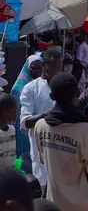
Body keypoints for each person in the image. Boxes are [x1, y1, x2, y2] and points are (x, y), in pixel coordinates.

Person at [34, 73, 88, 211]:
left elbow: (45, 161)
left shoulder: (40, 126)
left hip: (52, 204)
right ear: (77, 93)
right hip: (81, 206)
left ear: (52, 96)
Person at [20, 49, 62, 189]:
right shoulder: (31, 88)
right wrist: (46, 115)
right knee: (43, 186)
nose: (55, 71)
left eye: (58, 67)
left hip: (63, 147)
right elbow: (25, 122)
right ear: (44, 65)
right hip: (41, 149)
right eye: (52, 67)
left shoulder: (64, 84)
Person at [11, 54, 43, 174]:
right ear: (27, 68)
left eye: (40, 68)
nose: (37, 71)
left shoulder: (44, 86)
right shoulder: (18, 88)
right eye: (34, 68)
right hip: (22, 129)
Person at [0, 94, 17, 167]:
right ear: (7, 112)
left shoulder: (12, 129)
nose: (17, 113)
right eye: (16, 109)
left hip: (11, 174)